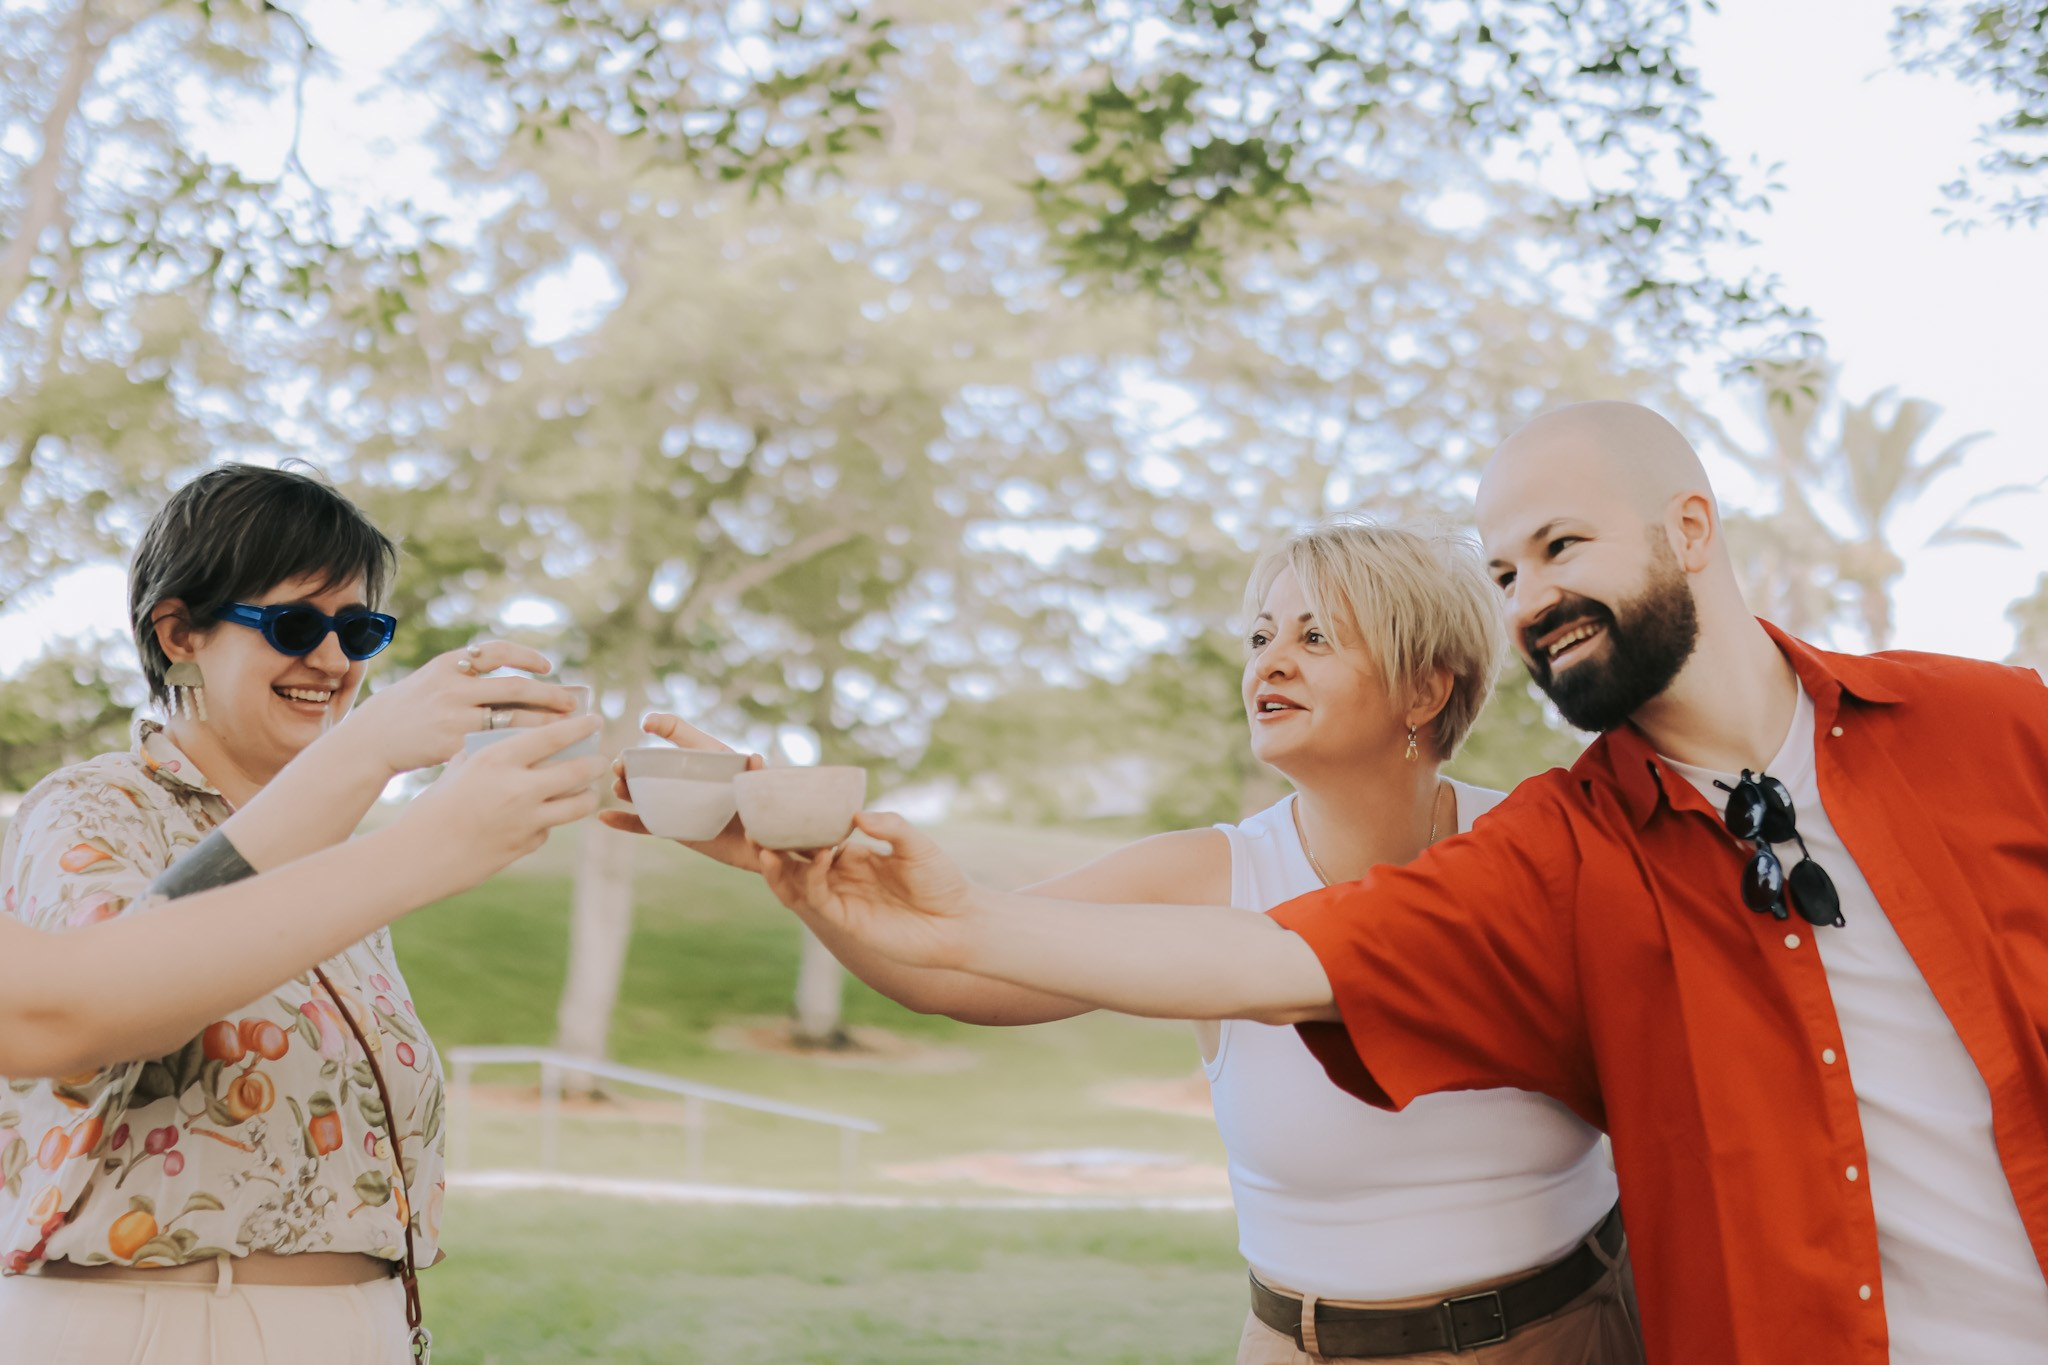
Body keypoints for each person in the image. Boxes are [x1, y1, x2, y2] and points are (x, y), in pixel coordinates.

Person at [751, 402, 2048, 1365]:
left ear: (1689, 527)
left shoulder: (1991, 728)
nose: (1532, 597)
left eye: (1561, 544)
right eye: (1506, 573)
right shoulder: (1564, 853)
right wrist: (925, 909)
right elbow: (1278, 958)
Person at [610, 520, 1641, 1363]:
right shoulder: (1202, 875)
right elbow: (957, 967)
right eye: (1260, 637)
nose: (1270, 660)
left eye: (1316, 637)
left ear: (1425, 688)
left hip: (1572, 1336)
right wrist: (796, 869)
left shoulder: (1537, 850)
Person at [0, 464, 604, 1364]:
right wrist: (411, 819)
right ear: (179, 633)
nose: (331, 660)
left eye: (358, 630)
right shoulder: (94, 806)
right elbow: (95, 1004)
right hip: (163, 1325)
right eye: (292, 625)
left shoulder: (335, 854)